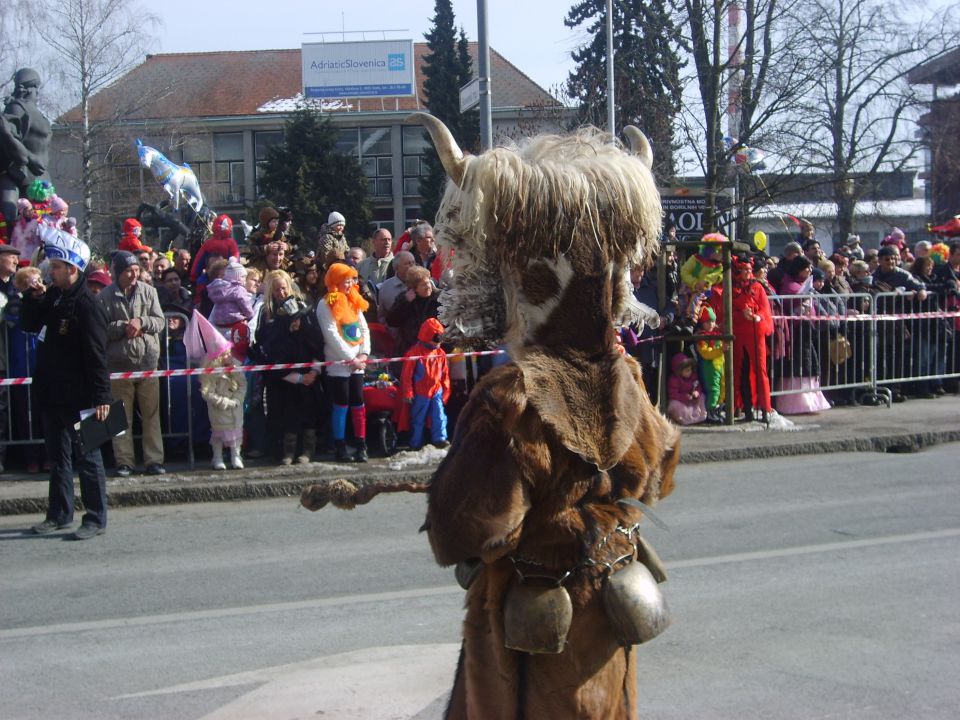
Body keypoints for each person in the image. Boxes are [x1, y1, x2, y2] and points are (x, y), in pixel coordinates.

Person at [20, 230, 111, 539]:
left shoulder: (88, 304)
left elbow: (97, 354)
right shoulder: (54, 297)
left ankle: (96, 517)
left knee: (89, 457)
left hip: (83, 394)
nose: (50, 271)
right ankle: (59, 513)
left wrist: (102, 396)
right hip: (53, 391)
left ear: (72, 269)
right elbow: (29, 324)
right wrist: (33, 298)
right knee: (58, 458)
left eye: (56, 266)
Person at [98, 251, 167, 476]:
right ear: (118, 272)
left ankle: (154, 460)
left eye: (136, 270)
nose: (134, 274)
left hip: (147, 363)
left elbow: (159, 321)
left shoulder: (149, 292)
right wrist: (123, 327)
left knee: (151, 415)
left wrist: (142, 322)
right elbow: (101, 329)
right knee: (120, 418)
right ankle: (124, 461)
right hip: (118, 366)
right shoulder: (104, 297)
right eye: (129, 270)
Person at [317, 263, 371, 463]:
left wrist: (364, 354)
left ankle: (361, 444)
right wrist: (351, 358)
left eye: (351, 279)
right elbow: (331, 334)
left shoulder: (354, 300)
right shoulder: (325, 303)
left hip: (357, 363)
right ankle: (340, 446)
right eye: (345, 280)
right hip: (339, 362)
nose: (349, 284)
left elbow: (364, 329)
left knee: (358, 403)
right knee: (341, 404)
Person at [188, 310, 247, 470]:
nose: (229, 357)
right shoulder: (212, 374)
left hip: (235, 407)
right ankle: (217, 456)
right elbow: (207, 392)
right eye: (225, 354)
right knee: (219, 435)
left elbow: (242, 384)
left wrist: (237, 399)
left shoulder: (235, 369)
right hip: (219, 409)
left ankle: (236, 455)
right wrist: (222, 402)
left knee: (235, 433)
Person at [400, 317, 451, 450]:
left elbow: (445, 375)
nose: (438, 343)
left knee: (439, 416)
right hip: (420, 392)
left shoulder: (440, 353)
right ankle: (415, 442)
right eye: (436, 339)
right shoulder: (414, 353)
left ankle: (440, 439)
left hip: (436, 391)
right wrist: (408, 392)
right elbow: (407, 376)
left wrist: (445, 392)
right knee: (418, 419)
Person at [386, 266, 441, 355]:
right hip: (410, 350)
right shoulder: (404, 298)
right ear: (414, 288)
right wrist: (405, 302)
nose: (428, 287)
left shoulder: (439, 299)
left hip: (434, 351)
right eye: (423, 285)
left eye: (428, 283)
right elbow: (391, 321)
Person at [695, 307, 725, 423]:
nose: (711, 324)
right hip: (709, 368)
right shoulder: (702, 338)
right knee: (713, 390)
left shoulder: (717, 335)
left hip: (719, 366)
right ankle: (710, 412)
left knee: (721, 389)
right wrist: (721, 349)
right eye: (707, 322)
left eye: (712, 321)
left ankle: (717, 410)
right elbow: (706, 353)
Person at [666, 352, 707, 425]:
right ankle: (684, 419)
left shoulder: (693, 376)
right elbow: (673, 394)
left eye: (690, 369)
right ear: (679, 371)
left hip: (692, 401)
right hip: (681, 401)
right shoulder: (674, 380)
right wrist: (684, 396)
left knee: (702, 396)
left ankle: (698, 416)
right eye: (687, 370)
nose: (690, 372)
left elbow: (698, 386)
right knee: (674, 404)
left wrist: (697, 392)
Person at [377, 250, 416, 320]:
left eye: (413, 262)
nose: (412, 266)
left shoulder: (422, 283)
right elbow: (382, 315)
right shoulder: (386, 288)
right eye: (408, 263)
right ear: (397, 268)